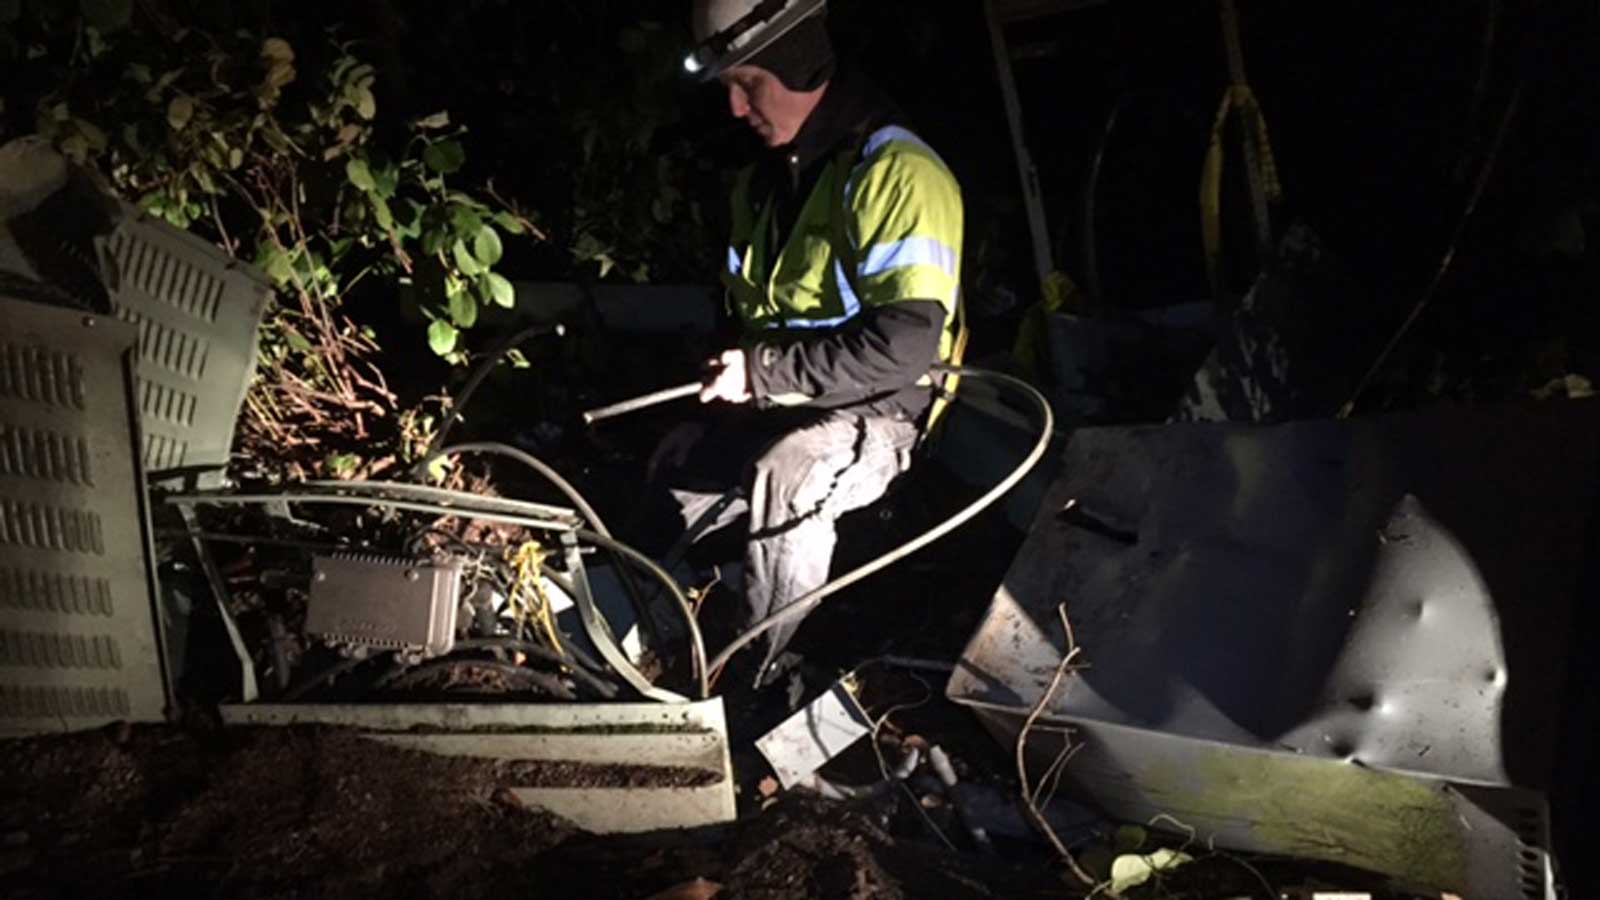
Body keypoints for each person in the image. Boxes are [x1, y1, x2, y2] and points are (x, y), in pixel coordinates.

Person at [652, 0, 965, 689]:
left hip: (886, 413)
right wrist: (713, 410)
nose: (736, 109)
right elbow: (745, 322)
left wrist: (761, 374)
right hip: (787, 397)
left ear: (798, 64)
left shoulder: (896, 174)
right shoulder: (761, 185)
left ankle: (746, 679)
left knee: (787, 472)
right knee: (675, 462)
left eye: (748, 83)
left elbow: (905, 348)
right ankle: (682, 625)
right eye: (728, 88)